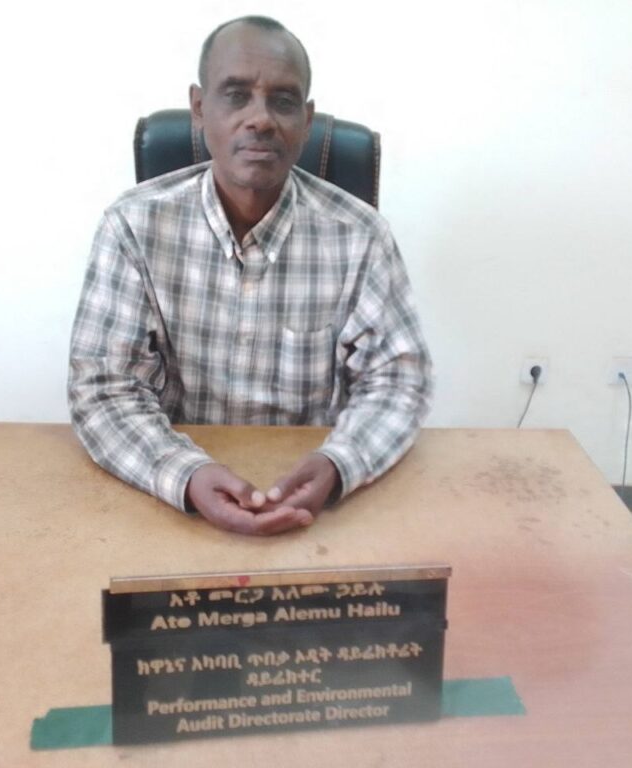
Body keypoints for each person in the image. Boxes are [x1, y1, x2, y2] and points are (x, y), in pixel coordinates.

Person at [68, 16, 431, 536]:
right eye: (236, 95)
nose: (260, 119)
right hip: (172, 501)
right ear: (199, 108)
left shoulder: (360, 236)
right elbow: (104, 388)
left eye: (283, 101)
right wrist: (186, 475)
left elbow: (398, 381)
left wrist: (339, 463)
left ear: (307, 120)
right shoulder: (133, 226)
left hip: (313, 504)